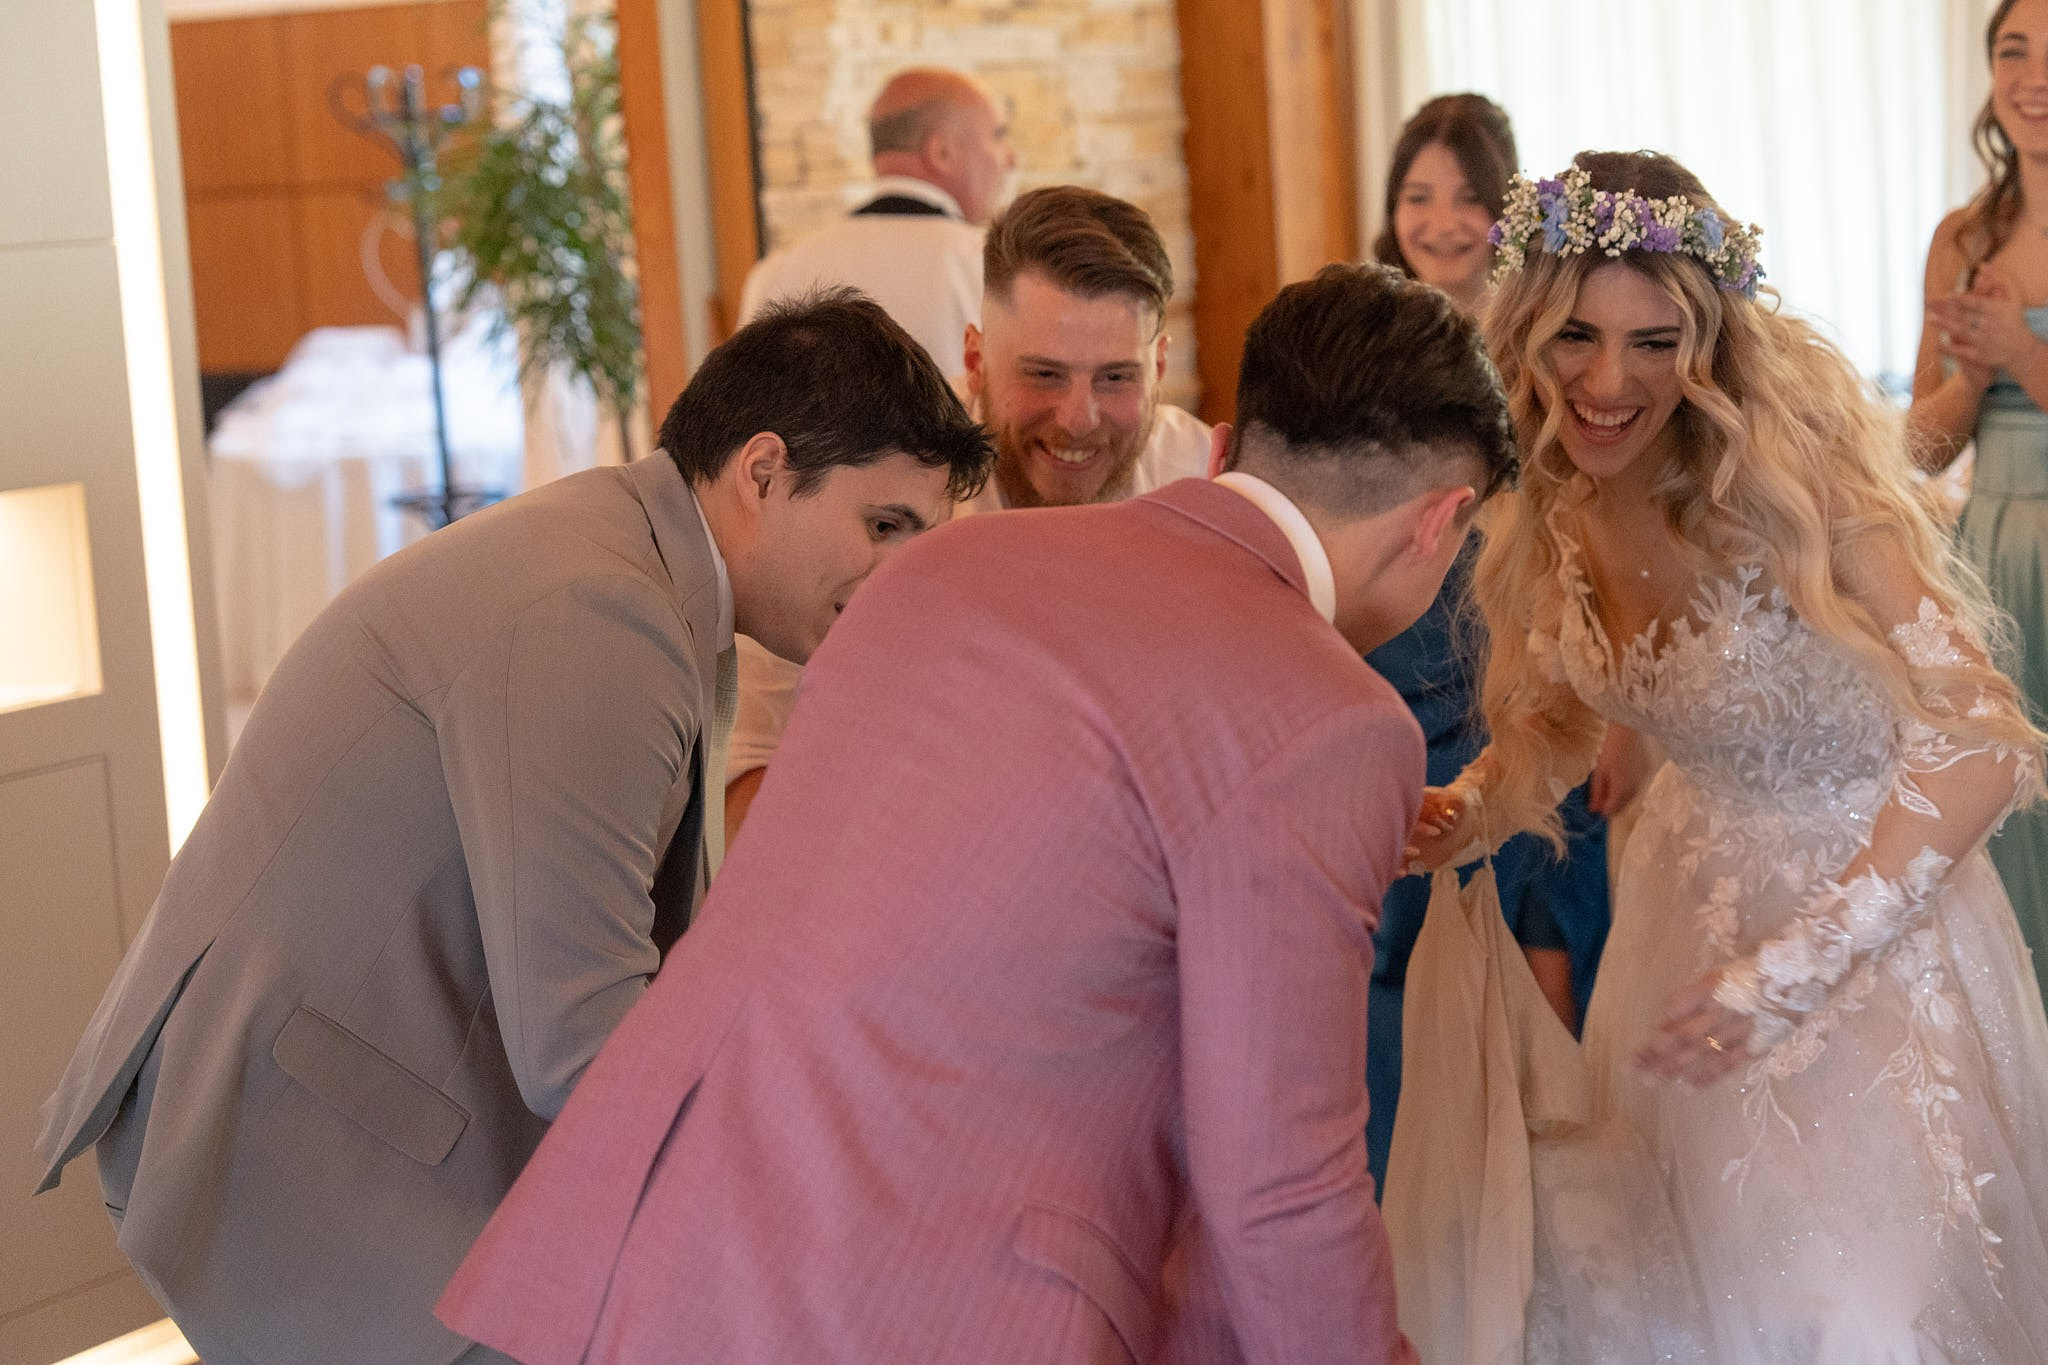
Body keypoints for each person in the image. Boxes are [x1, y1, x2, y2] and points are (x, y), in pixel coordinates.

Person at [434, 262, 1518, 1365]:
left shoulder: (950, 563)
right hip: (941, 1302)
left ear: (1233, 443)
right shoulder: (1332, 720)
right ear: (1441, 522)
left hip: (661, 1249)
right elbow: (1276, 1180)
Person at [32, 293, 992, 1365]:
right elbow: (581, 1042)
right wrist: (841, 1170)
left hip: (365, 1087)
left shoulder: (633, 562)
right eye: (884, 526)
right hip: (299, 1141)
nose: (902, 577)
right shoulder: (600, 613)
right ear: (761, 471)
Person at [1407, 151, 2048, 1357]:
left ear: (1709, 344)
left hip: (1862, 933)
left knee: (1856, 1311)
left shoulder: (1794, 484)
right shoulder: (1543, 495)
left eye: (1655, 343)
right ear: (1524, 333)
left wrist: (1795, 967)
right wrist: (1471, 807)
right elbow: (1553, 720)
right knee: (1689, 1291)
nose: (1608, 382)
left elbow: (1976, 738)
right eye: (1575, 339)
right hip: (1676, 928)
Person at [725, 185, 1213, 835]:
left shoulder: (1207, 482)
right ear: (976, 361)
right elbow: (752, 775)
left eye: (1115, 378)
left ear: (1159, 364)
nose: (1078, 419)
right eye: (1043, 375)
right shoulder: (866, 491)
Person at [1361, 94, 1617, 1192]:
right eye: (1417, 196)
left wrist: (1613, 703)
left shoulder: (1544, 346)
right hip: (1398, 645)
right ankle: (1416, 1170)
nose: (1440, 219)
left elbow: (1585, 517)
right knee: (1399, 922)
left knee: (1546, 908)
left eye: (1466, 196)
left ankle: (1549, 1173)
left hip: (1518, 644)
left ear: (1502, 209)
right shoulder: (1364, 332)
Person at [1909, 0, 2048, 1009]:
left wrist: (2022, 356)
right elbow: (1923, 443)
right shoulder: (1960, 237)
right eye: (2012, 49)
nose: (2031, 74)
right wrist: (1967, 378)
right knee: (2004, 815)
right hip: (1994, 558)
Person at [737, 67, 1013, 375]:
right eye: (998, 137)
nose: (1010, 159)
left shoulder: (778, 272)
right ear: (942, 152)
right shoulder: (992, 268)